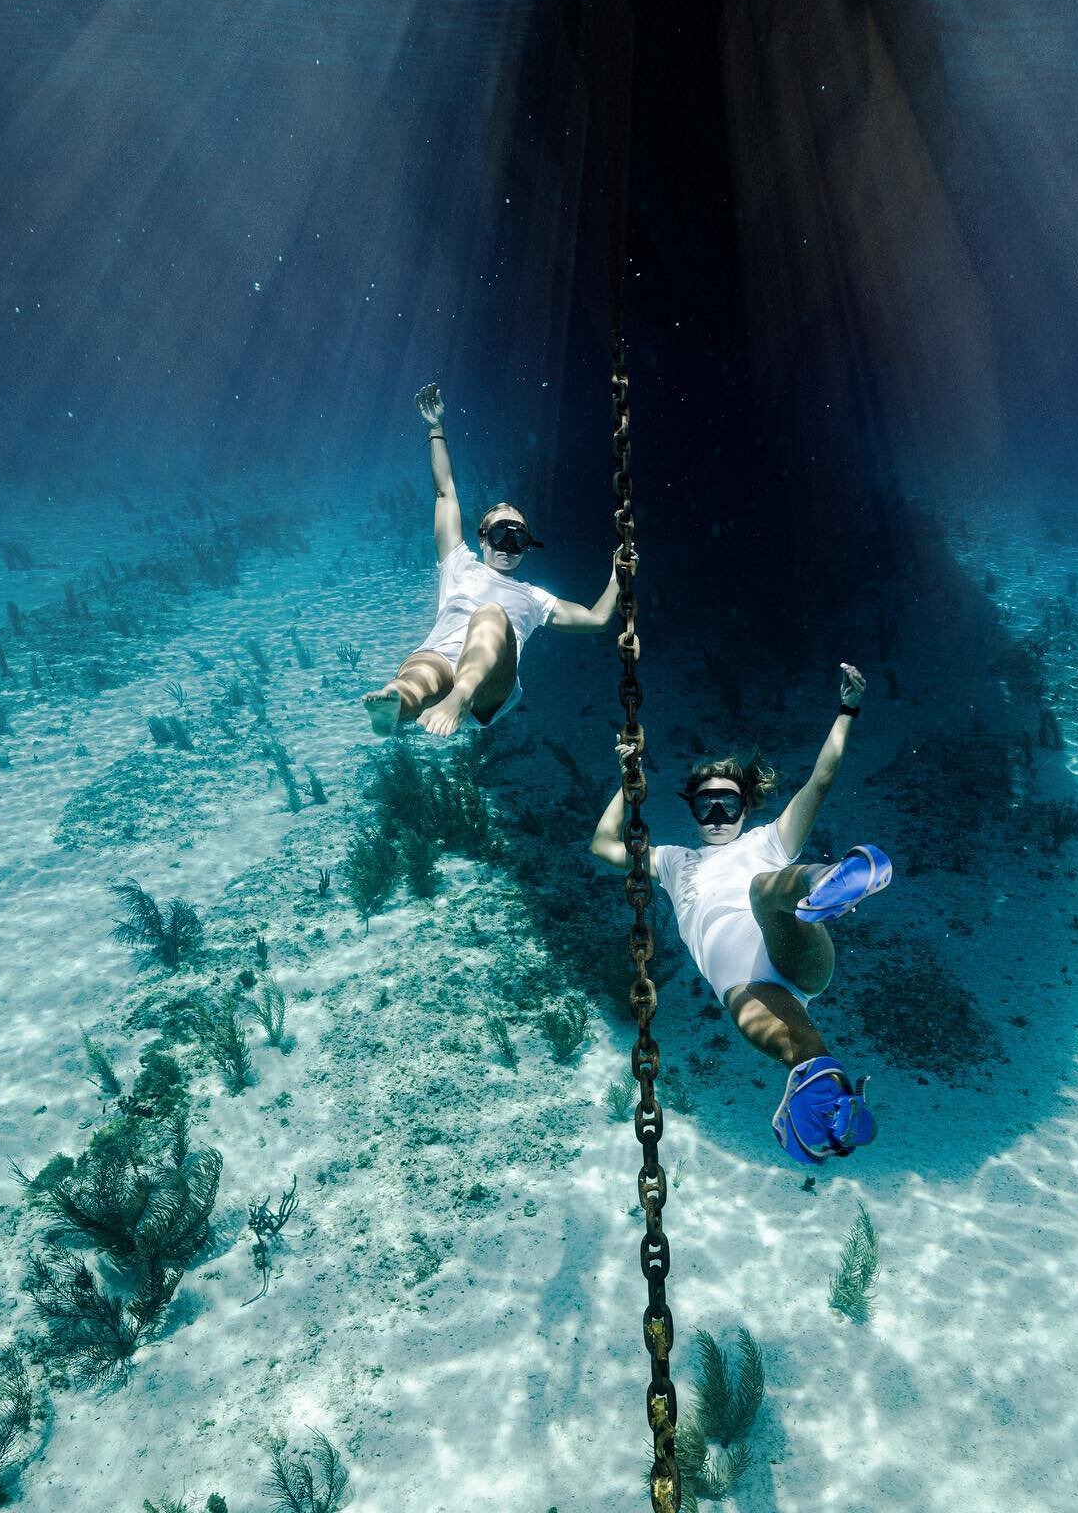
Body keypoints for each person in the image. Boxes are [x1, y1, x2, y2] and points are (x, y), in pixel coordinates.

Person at [589, 663, 892, 1165]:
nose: (715, 818)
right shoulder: (671, 861)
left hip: (789, 934)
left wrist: (847, 709)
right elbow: (602, 846)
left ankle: (831, 880)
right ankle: (827, 1104)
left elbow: (820, 781)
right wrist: (628, 782)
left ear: (745, 809)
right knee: (802, 1052)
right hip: (756, 988)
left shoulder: (766, 841)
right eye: (705, 806)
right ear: (691, 810)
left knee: (761, 889)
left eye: (727, 806)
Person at [364, 383, 625, 738]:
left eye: (518, 538)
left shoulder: (535, 598)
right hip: (439, 658)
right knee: (419, 674)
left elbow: (596, 619)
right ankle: (397, 706)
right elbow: (445, 492)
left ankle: (460, 696)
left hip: (489, 687)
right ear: (482, 538)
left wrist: (618, 576)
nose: (508, 545)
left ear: (527, 547)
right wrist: (435, 428)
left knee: (490, 613)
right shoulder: (459, 563)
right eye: (501, 534)